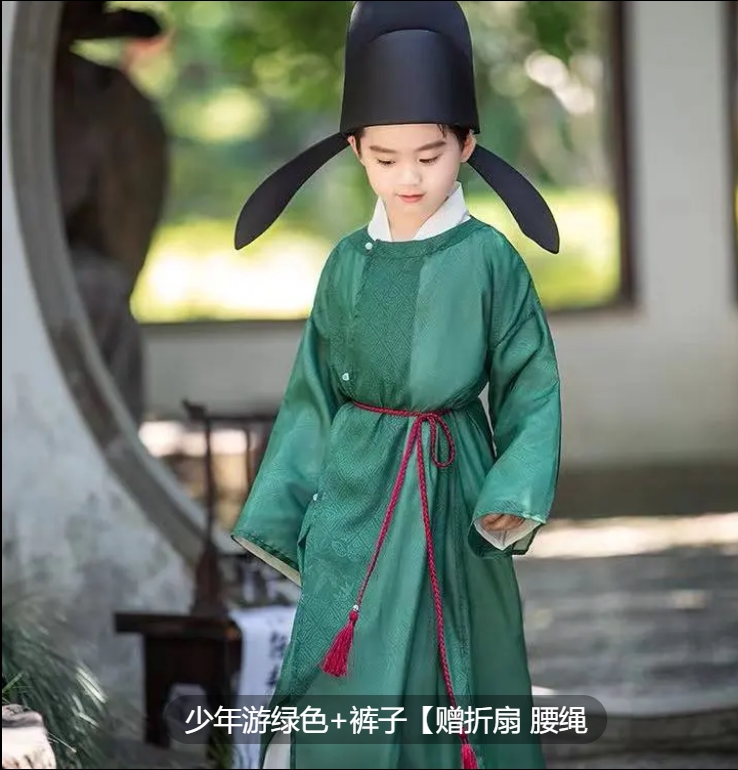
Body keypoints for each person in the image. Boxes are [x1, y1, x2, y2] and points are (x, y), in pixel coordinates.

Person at [231, 3, 562, 768]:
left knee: (460, 661)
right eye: (384, 158)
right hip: (357, 487)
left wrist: (511, 490)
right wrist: (284, 505)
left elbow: (530, 382)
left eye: (429, 155)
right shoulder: (346, 262)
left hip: (452, 482)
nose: (408, 177)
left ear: (465, 145)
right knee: (352, 655)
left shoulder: (488, 259)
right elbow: (313, 392)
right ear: (355, 150)